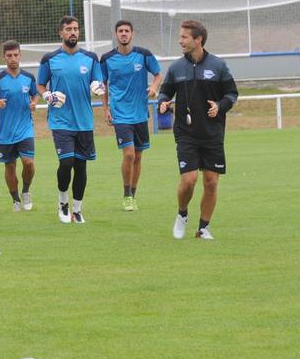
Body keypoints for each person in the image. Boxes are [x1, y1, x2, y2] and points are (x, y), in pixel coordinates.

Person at [157, 19, 237, 240]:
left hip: (212, 134)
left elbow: (232, 94)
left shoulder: (218, 66)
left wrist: (220, 106)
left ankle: (203, 228)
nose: (180, 40)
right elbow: (165, 93)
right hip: (186, 134)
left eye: (184, 37)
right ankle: (182, 214)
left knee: (211, 182)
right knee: (189, 179)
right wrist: (163, 103)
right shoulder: (175, 68)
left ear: (198, 39)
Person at [37, 16, 105, 225]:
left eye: (75, 29)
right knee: (66, 162)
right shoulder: (50, 59)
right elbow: (40, 85)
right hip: (60, 121)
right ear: (61, 33)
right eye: (68, 29)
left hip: (84, 121)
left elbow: (100, 84)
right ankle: (63, 202)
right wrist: (47, 95)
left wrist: (98, 89)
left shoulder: (91, 58)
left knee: (81, 167)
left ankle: (77, 209)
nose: (73, 32)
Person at [100, 20, 163, 211]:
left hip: (140, 114)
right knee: (128, 154)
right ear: (116, 34)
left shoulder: (143, 55)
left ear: (132, 34)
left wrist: (153, 86)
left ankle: (133, 195)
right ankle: (126, 195)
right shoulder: (107, 58)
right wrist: (105, 109)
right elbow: (103, 85)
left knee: (138, 155)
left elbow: (159, 74)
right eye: (120, 31)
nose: (124, 34)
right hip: (120, 113)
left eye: (127, 31)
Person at [0, 42, 38, 211]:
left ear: (20, 55)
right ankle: (15, 200)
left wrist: (34, 103)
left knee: (28, 162)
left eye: (16, 55)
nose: (13, 59)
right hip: (6, 132)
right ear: (4, 57)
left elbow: (35, 94)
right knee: (10, 166)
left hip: (25, 129)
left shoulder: (29, 78)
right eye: (9, 55)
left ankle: (26, 191)